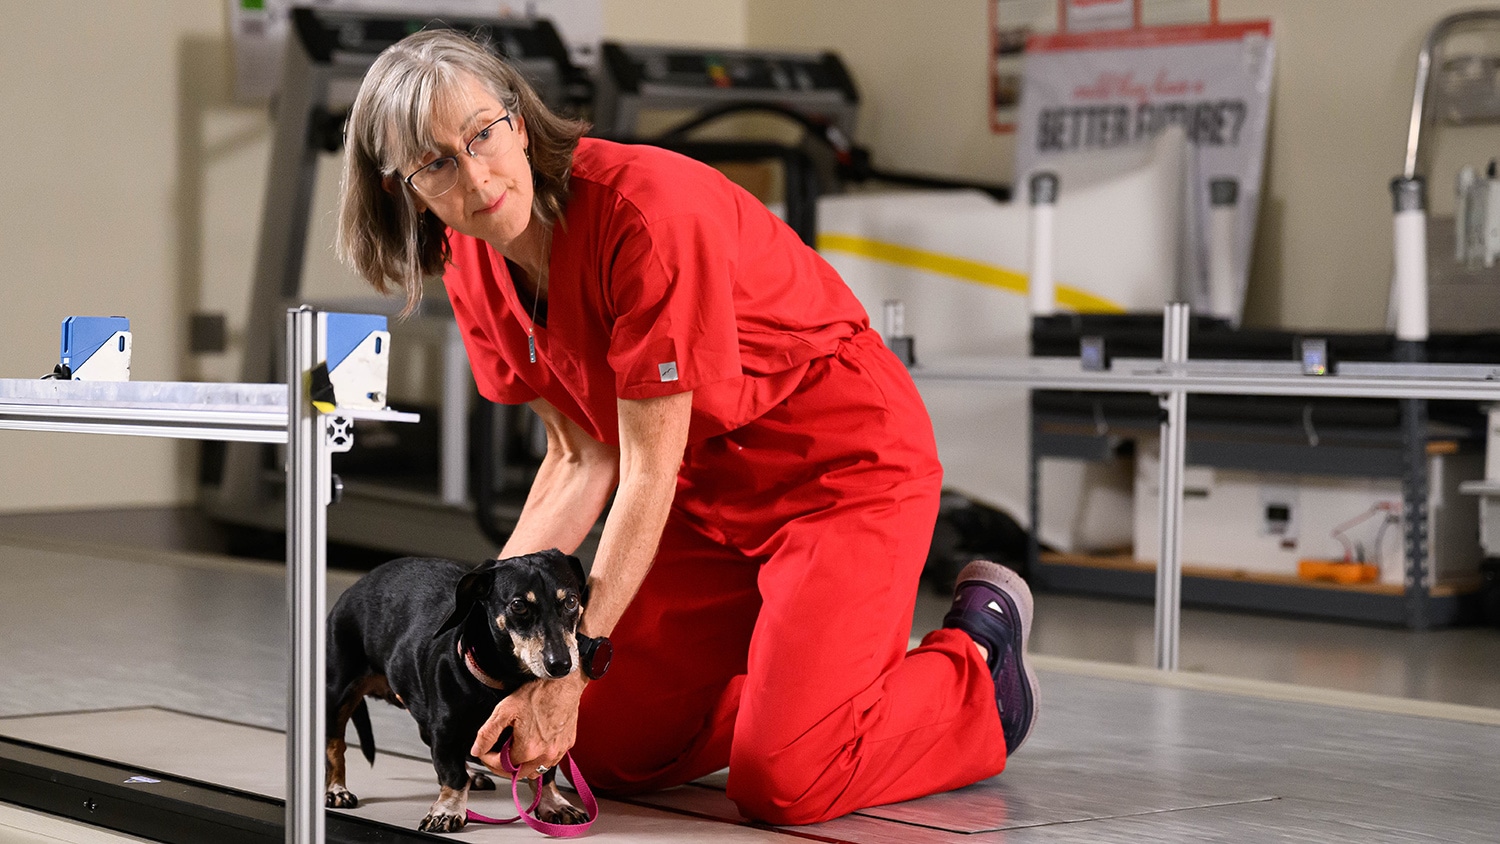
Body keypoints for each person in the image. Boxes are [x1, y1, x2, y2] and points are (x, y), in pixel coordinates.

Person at [337, 28, 1039, 826]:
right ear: (405, 188)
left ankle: (977, 675)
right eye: (436, 164)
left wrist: (566, 674)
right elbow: (579, 456)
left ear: (519, 122)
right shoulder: (470, 255)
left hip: (842, 472)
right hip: (703, 494)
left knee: (787, 784)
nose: (475, 174)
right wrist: (484, 653)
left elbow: (642, 470)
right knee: (597, 747)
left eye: (482, 135)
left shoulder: (645, 215)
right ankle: (798, 689)